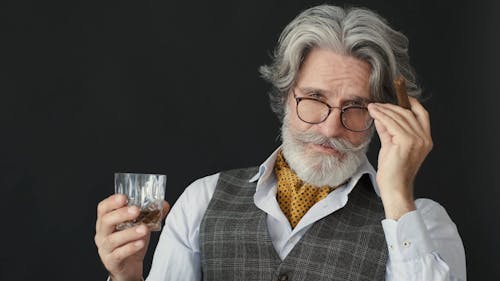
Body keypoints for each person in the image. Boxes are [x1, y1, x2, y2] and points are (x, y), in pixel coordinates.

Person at [95, 4, 466, 281]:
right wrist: (126, 278)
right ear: (287, 95)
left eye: (355, 107)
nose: (330, 128)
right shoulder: (201, 201)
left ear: (384, 116)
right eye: (314, 99)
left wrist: (398, 195)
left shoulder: (423, 226)